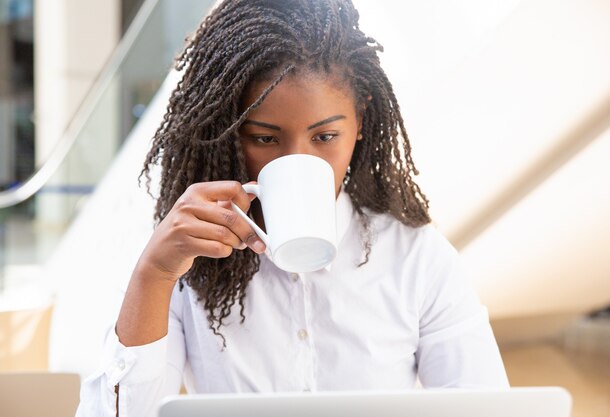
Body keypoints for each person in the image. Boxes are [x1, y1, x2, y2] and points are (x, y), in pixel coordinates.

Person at [76, 0, 509, 415]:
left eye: (324, 137)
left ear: (360, 120)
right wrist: (155, 274)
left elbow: (485, 406)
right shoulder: (185, 259)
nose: (296, 161)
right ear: (228, 133)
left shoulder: (416, 256)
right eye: (265, 138)